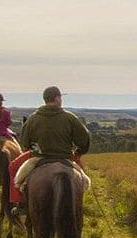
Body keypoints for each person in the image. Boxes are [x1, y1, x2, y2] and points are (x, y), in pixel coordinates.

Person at [8, 86, 92, 215]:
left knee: (19, 180)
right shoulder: (70, 117)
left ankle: (22, 204)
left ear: (45, 100)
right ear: (57, 98)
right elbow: (84, 139)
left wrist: (36, 149)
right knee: (84, 182)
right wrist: (78, 153)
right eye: (60, 97)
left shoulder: (33, 118)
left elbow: (25, 144)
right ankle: (78, 206)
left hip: (39, 158)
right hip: (65, 158)